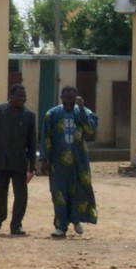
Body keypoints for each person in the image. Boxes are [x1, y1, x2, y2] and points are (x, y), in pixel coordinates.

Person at [39, 86, 98, 237]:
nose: (68, 101)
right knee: (59, 193)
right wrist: (44, 159)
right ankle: (60, 226)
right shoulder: (52, 114)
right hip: (58, 163)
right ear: (61, 97)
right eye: (66, 98)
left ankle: (76, 219)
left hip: (79, 161)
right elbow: (45, 137)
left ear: (77, 97)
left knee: (80, 191)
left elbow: (91, 129)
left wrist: (82, 109)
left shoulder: (84, 112)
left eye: (72, 98)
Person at [0, 84, 37, 235]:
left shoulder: (29, 116)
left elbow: (32, 142)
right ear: (11, 96)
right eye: (19, 96)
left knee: (21, 195)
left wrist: (33, 163)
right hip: (0, 161)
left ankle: (16, 224)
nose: (22, 99)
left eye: (24, 97)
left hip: (19, 162)